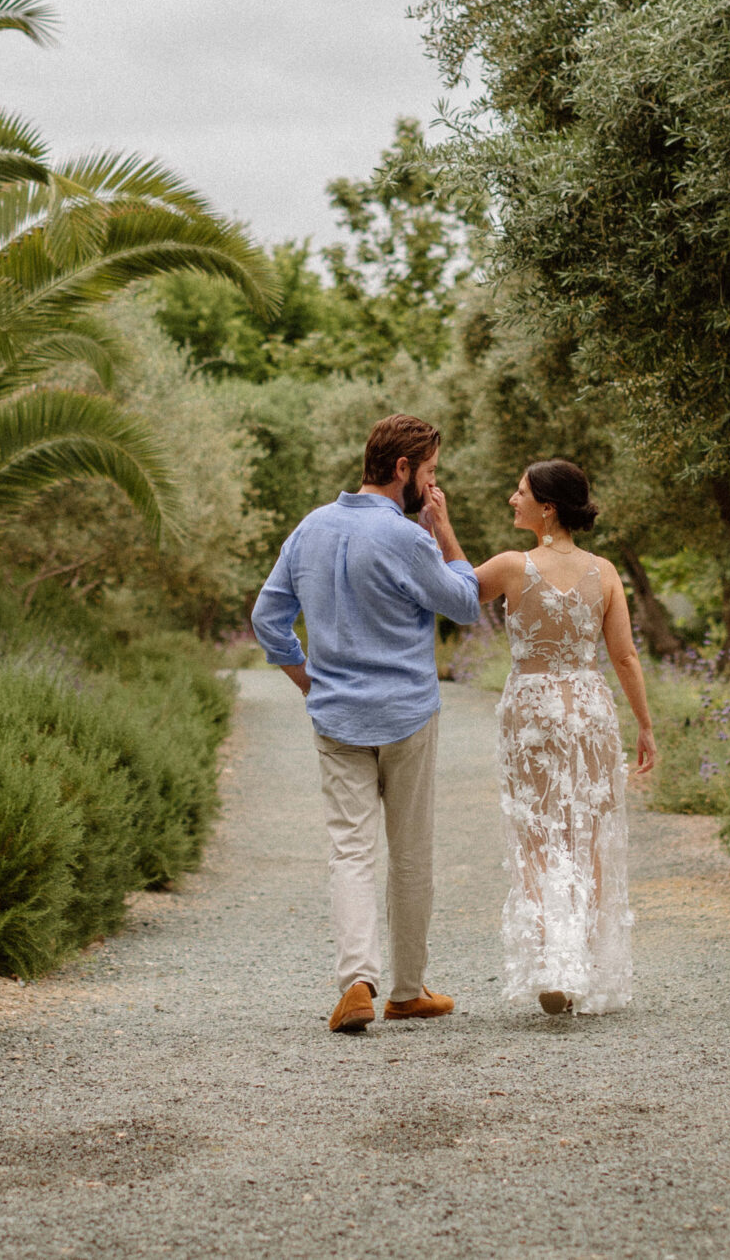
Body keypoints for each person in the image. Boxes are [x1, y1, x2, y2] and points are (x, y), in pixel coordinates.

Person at [252, 414, 484, 1034]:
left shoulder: (310, 528)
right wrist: (443, 529)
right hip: (407, 714)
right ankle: (406, 991)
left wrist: (306, 678)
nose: (433, 487)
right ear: (403, 469)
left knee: (349, 849)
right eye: (430, 473)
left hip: (336, 716)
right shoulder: (409, 538)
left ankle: (357, 981)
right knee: (410, 852)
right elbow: (466, 603)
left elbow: (266, 618)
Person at [472, 459, 656, 1015]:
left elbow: (451, 589)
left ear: (547, 507)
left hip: (532, 713)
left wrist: (440, 526)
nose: (512, 498)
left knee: (537, 833)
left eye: (521, 492)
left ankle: (555, 960)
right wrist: (645, 725)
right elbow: (623, 655)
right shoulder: (604, 572)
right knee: (589, 834)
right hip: (590, 711)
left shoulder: (510, 567)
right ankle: (581, 964)